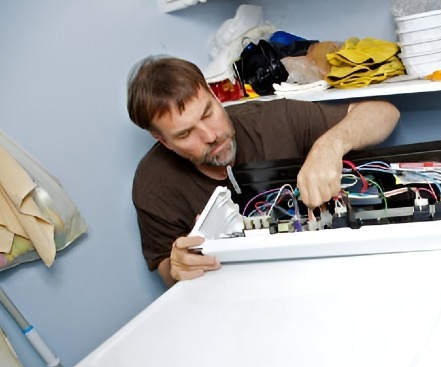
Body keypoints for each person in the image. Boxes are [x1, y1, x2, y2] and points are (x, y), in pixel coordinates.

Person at [127, 55, 400, 287]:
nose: (210, 136)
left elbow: (385, 113)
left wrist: (330, 145)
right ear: (163, 141)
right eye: (185, 133)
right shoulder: (154, 184)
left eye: (208, 113)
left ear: (213, 94)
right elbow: (167, 269)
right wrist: (178, 266)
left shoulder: (274, 120)